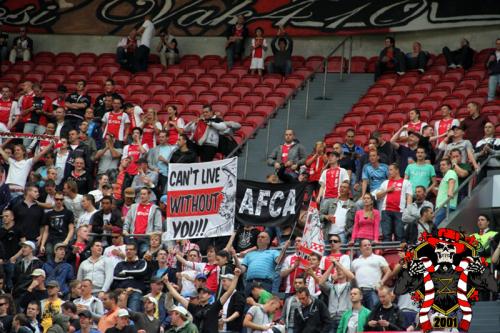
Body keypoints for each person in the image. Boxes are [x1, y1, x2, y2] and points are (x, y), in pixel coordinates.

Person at [164, 268, 241, 333]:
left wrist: (236, 276)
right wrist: (167, 283)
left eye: (204, 293)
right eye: (200, 293)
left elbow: (229, 292)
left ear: (210, 295)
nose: (201, 295)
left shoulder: (215, 306)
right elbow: (178, 297)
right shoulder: (194, 308)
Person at [376, 164, 413, 242]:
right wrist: (387, 190)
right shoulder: (386, 182)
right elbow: (377, 196)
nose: (389, 172)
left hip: (400, 211)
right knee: (386, 234)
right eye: (389, 170)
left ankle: (399, 253)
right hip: (386, 210)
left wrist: (408, 210)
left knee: (400, 234)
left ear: (397, 170)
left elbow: (409, 196)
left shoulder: (406, 182)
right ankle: (386, 252)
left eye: (391, 169)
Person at [318, 256, 355, 333]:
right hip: (331, 319)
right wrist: (332, 265)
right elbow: (321, 282)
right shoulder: (331, 287)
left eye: (341, 270)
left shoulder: (350, 286)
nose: (339, 271)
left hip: (345, 318)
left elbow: (352, 277)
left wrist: (338, 264)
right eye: (337, 270)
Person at [351, 239, 391, 310]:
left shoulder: (378, 258)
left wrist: (382, 282)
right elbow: (351, 277)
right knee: (359, 315)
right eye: (365, 245)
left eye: (369, 245)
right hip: (359, 292)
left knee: (374, 314)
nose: (368, 247)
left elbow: (388, 271)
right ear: (360, 248)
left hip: (373, 291)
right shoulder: (355, 261)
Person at [112, 242, 149, 312]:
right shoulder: (120, 264)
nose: (128, 251)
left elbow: (141, 271)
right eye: (126, 250)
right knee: (117, 313)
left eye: (131, 249)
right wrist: (133, 276)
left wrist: (125, 273)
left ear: (135, 251)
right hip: (121, 291)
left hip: (135, 291)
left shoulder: (141, 262)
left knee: (133, 313)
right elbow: (116, 276)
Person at [40, 191, 75, 258]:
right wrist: (42, 245)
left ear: (63, 200)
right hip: (51, 240)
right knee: (49, 254)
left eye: (61, 199)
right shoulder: (48, 214)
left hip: (63, 239)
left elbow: (71, 229)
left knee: (61, 259)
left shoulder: (69, 213)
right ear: (54, 199)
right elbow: (46, 231)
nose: (59, 201)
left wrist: (66, 241)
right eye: (57, 199)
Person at [434, 158, 458, 226]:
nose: (441, 166)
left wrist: (450, 192)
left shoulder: (451, 172)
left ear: (449, 166)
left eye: (444, 165)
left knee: (434, 226)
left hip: (445, 206)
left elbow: (452, 181)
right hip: (442, 206)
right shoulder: (446, 175)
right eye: (440, 165)